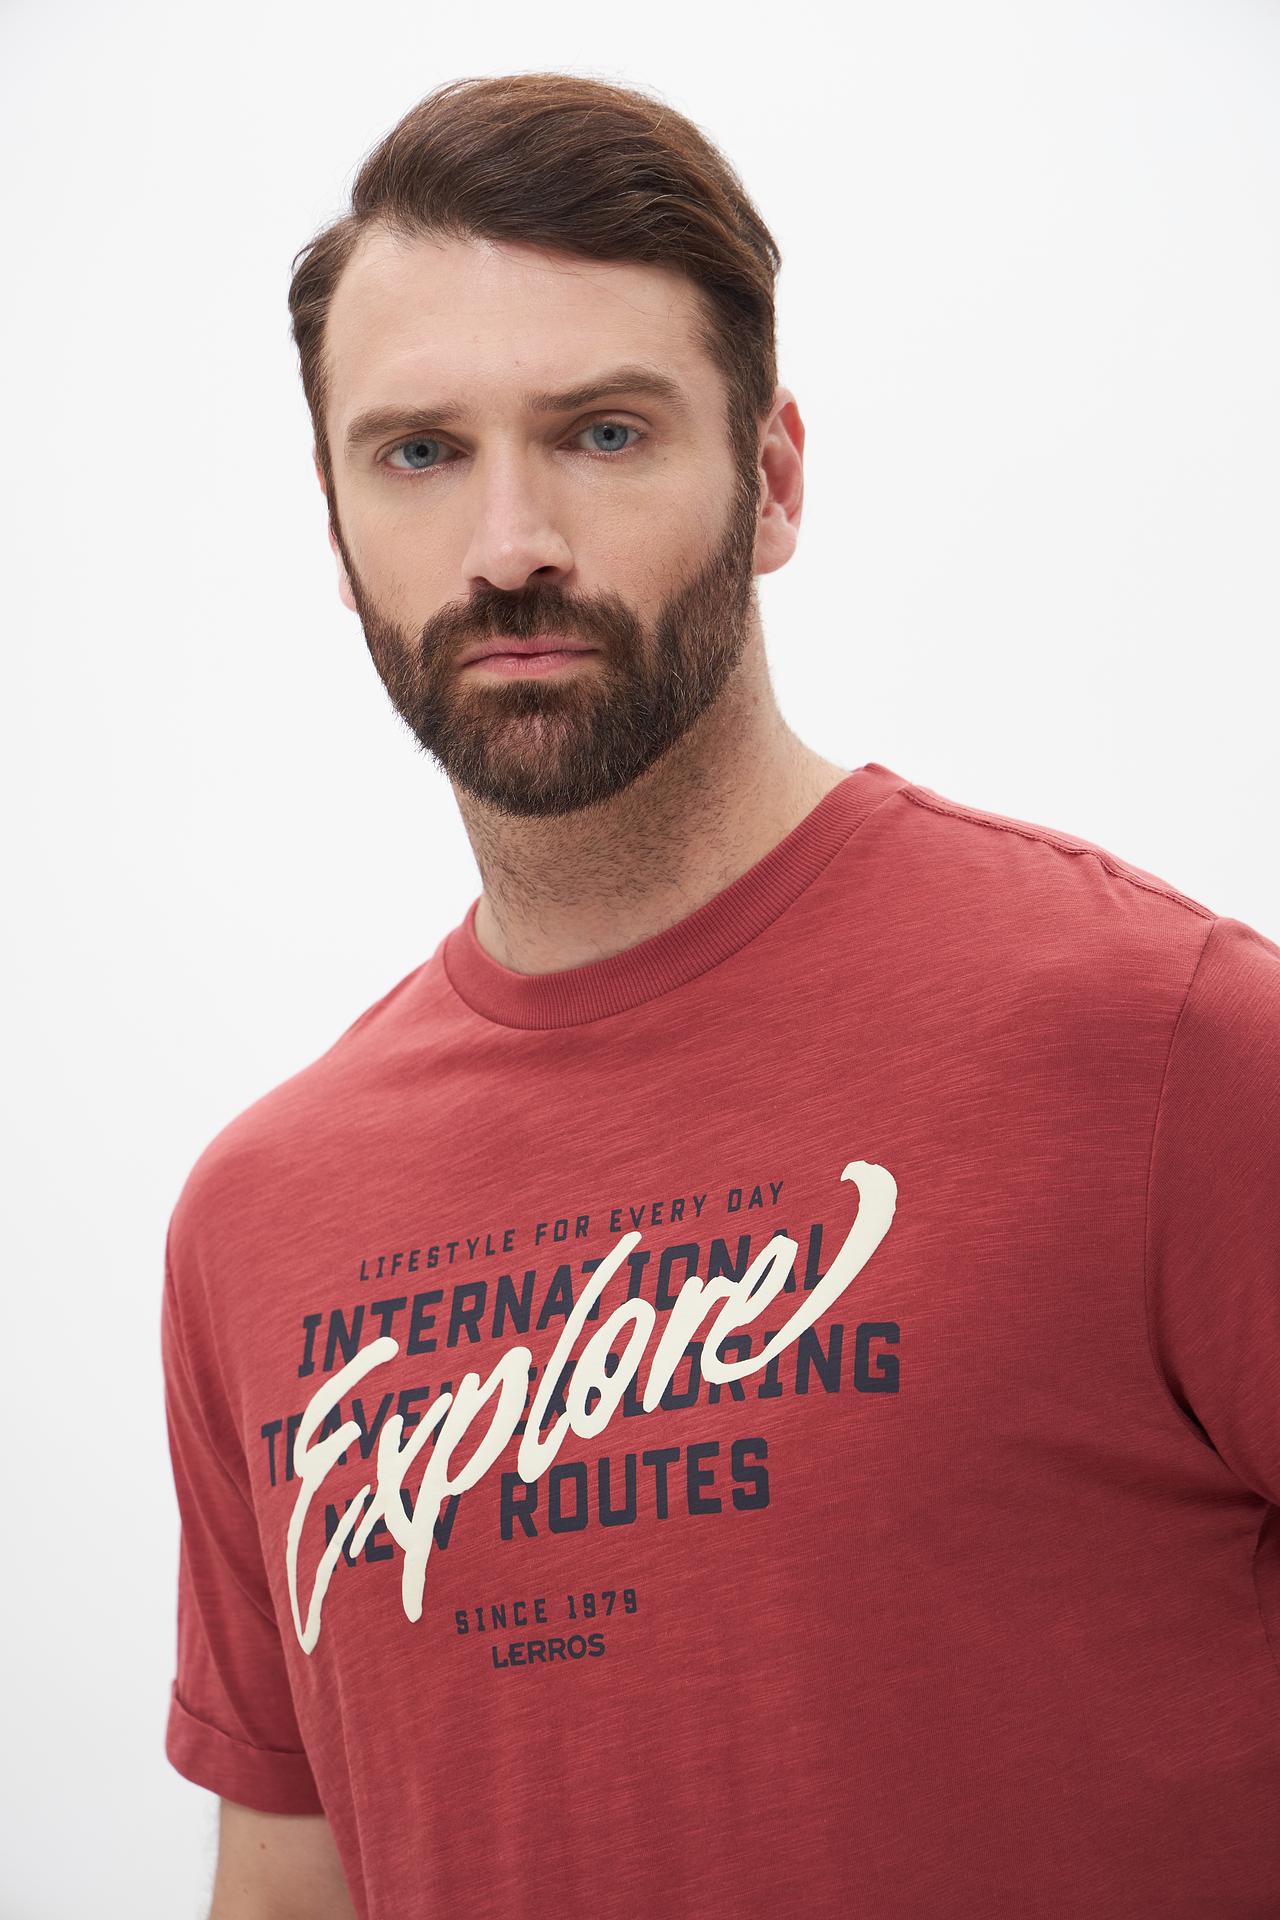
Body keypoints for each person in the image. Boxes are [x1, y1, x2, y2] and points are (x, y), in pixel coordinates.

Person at [159, 70, 1280, 1920]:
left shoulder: (1164, 1051)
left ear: (772, 481)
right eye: (418, 452)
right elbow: (291, 1892)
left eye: (603, 433)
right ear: (337, 523)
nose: (510, 543)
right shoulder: (257, 1220)